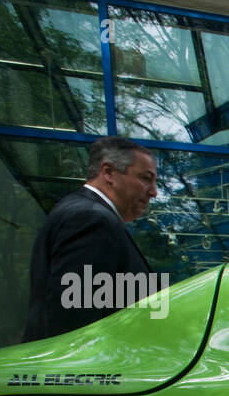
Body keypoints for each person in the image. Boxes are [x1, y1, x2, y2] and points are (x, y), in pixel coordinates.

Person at [25, 136, 158, 342]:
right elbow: (75, 319)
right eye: (145, 178)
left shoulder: (86, 214)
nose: (154, 192)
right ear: (108, 172)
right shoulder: (91, 219)